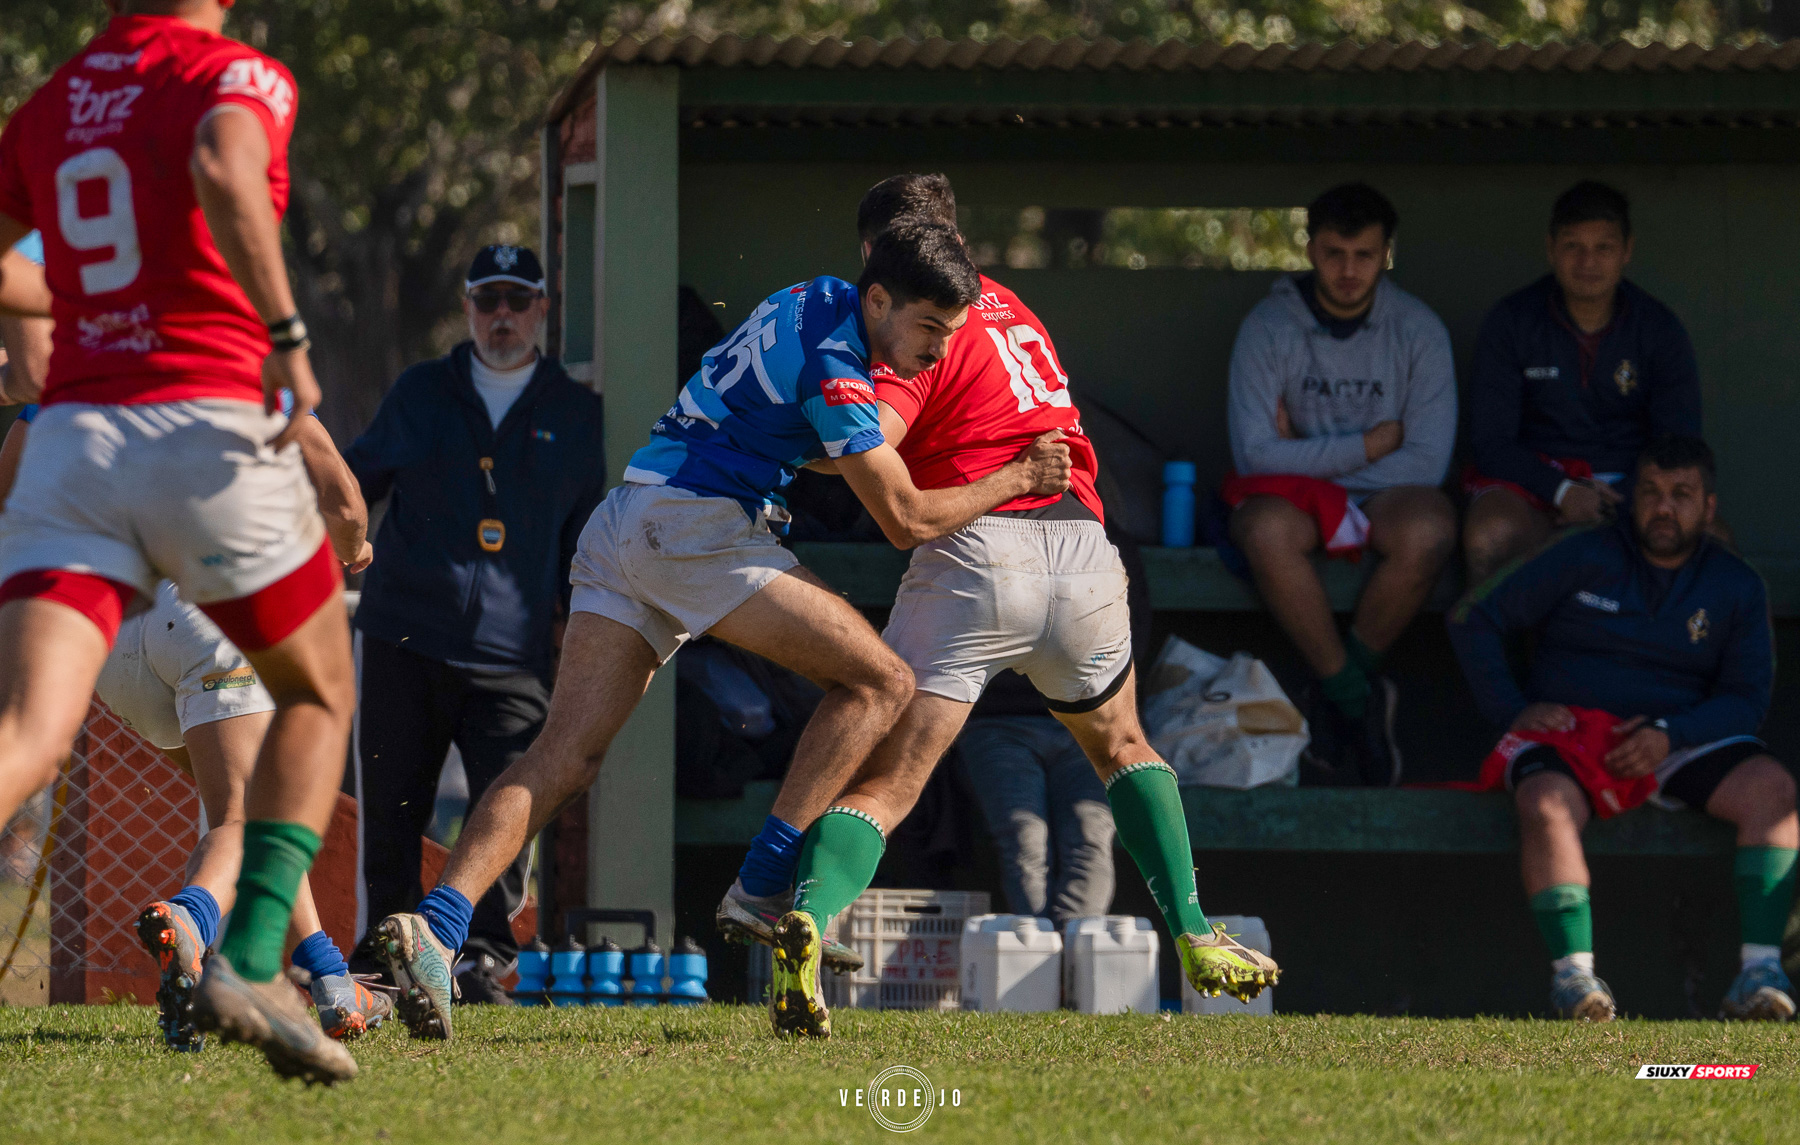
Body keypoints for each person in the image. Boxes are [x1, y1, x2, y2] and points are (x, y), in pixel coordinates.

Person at [370, 221, 1075, 1042]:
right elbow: (905, 518)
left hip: (629, 514)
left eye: (951, 337)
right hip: (694, 527)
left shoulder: (812, 297)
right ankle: (765, 882)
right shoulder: (841, 363)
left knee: (563, 755)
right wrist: (1020, 475)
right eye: (929, 331)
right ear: (879, 299)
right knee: (882, 681)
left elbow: (801, 438)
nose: (937, 352)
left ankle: (438, 928)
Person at [724, 174, 1280, 1039]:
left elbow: (883, 451)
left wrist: (795, 452)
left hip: (980, 552)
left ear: (881, 254)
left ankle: (808, 917)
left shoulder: (918, 327)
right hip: (1087, 555)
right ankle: (1197, 933)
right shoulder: (1013, 304)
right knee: (1126, 745)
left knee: (890, 780)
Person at [0, 0, 358, 1082]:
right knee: (320, 687)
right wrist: (287, 334)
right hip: (201, 428)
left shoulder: (52, 102)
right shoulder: (237, 74)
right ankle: (252, 958)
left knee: (29, 731)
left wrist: (94, 300)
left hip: (69, 440)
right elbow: (221, 163)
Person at [0, 393, 387, 1049]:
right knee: (244, 820)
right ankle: (191, 920)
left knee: (247, 813)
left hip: (113, 638)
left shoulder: (83, 363)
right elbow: (342, 494)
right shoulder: (243, 357)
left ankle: (327, 979)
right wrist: (354, 548)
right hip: (208, 608)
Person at [1448, 435, 1791, 1023]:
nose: (1664, 507)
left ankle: (1759, 974)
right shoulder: (1582, 553)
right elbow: (1472, 616)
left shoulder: (1736, 584)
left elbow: (1747, 699)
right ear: (1631, 499)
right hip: (1574, 735)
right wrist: (1513, 708)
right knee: (1543, 801)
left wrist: (1670, 731)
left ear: (1709, 508)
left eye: (1681, 495)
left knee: (1774, 790)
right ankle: (1575, 983)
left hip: (1676, 739)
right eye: (1651, 493)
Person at [344, 244, 607, 1003]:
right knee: (393, 809)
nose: (501, 316)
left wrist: (576, 635)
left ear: (542, 310)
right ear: (466, 308)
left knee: (508, 808)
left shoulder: (577, 412)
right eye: (486, 300)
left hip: (513, 653)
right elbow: (357, 479)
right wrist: (342, 533)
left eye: (516, 300)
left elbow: (584, 540)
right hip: (402, 635)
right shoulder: (422, 390)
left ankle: (481, 956)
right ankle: (383, 957)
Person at [1225, 182, 1458, 786]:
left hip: (1388, 498)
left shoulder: (1418, 329)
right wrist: (1370, 446)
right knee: (1262, 527)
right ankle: (1355, 697)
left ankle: (1338, 695)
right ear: (1309, 249)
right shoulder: (1269, 326)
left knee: (1431, 527)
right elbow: (1253, 456)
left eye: (1364, 255)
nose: (1349, 270)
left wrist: (1298, 455)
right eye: (1333, 253)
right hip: (1302, 502)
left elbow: (1428, 464)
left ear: (1387, 252)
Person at [1463, 181, 1704, 584]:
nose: (1587, 261)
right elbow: (1491, 442)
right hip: (1537, 484)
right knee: (1491, 535)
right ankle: (1502, 649)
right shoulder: (1513, 321)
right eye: (1573, 246)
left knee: (1713, 540)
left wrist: (1623, 500)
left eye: (1604, 247)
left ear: (1627, 250)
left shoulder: (1659, 328)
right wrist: (1561, 491)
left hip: (1631, 487)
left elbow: (1680, 444)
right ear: (1551, 249)